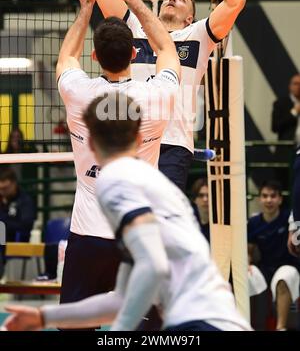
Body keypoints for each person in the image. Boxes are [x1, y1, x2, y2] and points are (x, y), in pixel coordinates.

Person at [3, 93, 251, 332]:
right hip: (218, 320)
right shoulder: (153, 184)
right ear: (140, 138)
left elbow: (154, 266)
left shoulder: (115, 178)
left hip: (196, 323)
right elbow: (122, 300)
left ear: (89, 142)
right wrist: (44, 317)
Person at [56, 0, 180, 328]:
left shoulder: (79, 93)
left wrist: (86, 6)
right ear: (135, 55)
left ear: (95, 58)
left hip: (88, 237)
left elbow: (66, 58)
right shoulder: (156, 96)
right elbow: (167, 49)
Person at [93, 0, 246, 192]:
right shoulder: (136, 27)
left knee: (160, 224)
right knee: (127, 221)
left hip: (173, 146)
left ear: (190, 17)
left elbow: (236, 1)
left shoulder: (198, 34)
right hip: (132, 140)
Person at [248, 180, 300, 331]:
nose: (269, 200)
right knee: (247, 275)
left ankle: (280, 327)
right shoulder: (253, 222)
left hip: (289, 267)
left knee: (283, 276)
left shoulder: (289, 219)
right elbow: (248, 251)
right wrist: (247, 263)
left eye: (273, 196)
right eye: (265, 196)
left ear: (280, 199)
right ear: (259, 199)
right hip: (265, 269)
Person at [0, 166, 36, 279]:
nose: (2, 192)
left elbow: (26, 225)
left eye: (5, 188)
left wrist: (4, 222)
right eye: (0, 189)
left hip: (16, 238)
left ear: (14, 184)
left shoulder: (25, 201)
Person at [271, 73, 300, 189]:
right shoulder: (280, 103)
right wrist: (294, 112)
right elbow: (275, 127)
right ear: (290, 86)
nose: (298, 86)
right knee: (285, 188)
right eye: (296, 83)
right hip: (287, 153)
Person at [190, 177, 210, 242]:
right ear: (195, 199)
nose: (205, 199)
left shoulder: (221, 222)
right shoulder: (189, 219)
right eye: (201, 195)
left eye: (209, 195)